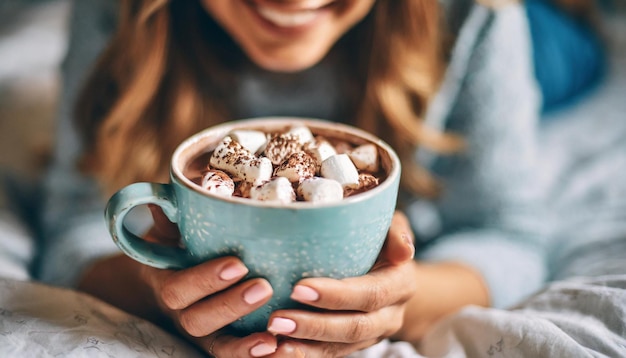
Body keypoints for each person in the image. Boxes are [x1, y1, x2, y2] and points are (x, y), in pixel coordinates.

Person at [37, 0, 548, 356]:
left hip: (549, 48)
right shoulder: (120, 10)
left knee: (568, 57)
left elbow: (515, 237)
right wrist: (155, 288)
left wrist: (405, 299)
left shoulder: (474, 12)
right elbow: (74, 226)